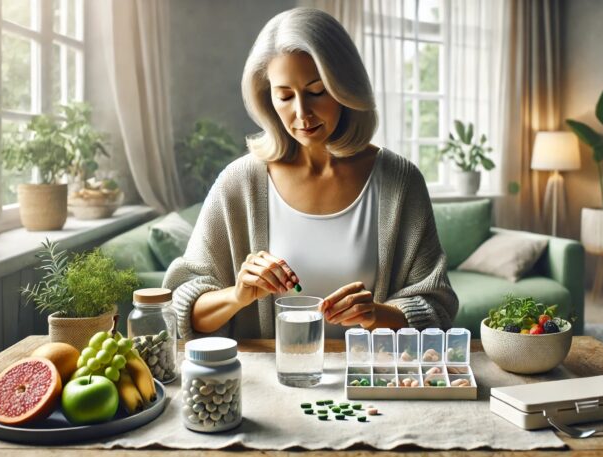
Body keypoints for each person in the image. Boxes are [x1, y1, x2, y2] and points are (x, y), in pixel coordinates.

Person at [163, 7, 457, 340]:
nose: (302, 113)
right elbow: (177, 310)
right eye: (285, 96)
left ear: (346, 87)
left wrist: (376, 314)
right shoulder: (239, 184)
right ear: (266, 97)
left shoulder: (399, 182)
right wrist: (237, 295)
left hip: (371, 384)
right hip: (270, 386)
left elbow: (439, 309)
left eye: (317, 91)